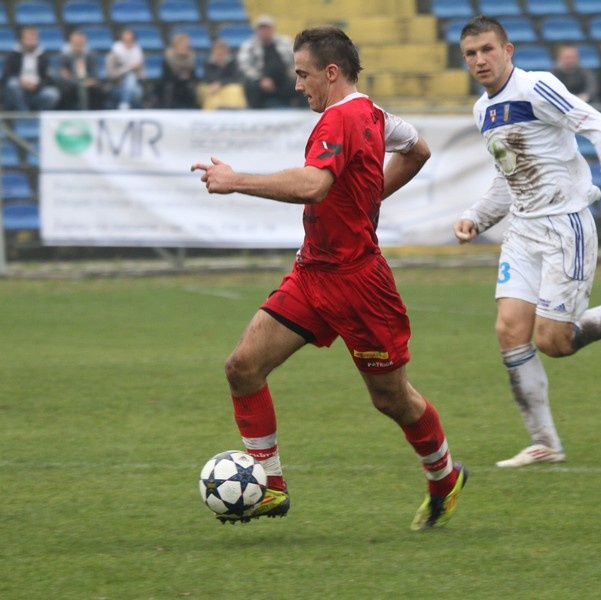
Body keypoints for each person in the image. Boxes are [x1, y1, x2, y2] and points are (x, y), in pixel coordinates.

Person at [191, 26, 468, 530]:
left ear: (331, 73)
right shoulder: (375, 115)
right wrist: (366, 197)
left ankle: (445, 476)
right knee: (242, 367)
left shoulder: (337, 121)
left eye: (303, 74)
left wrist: (236, 181)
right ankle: (271, 487)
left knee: (392, 400)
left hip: (361, 286)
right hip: (313, 273)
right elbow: (418, 149)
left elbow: (315, 185)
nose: (298, 85)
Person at [454, 16, 601, 467]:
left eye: (487, 50)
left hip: (565, 226)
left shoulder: (537, 87)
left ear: (508, 50)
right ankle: (545, 443)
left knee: (554, 342)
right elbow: (508, 177)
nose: (479, 60)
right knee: (508, 331)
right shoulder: (483, 111)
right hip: (522, 230)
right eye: (470, 54)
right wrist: (476, 218)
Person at [237, 14, 304, 108]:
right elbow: (244, 66)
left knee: (303, 83)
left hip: (284, 79)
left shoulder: (284, 42)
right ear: (257, 30)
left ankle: (303, 112)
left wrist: (296, 70)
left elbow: (298, 57)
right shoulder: (249, 46)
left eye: (267, 28)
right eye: (262, 28)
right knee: (250, 86)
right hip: (261, 82)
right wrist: (260, 79)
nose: (264, 31)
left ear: (272, 29)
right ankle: (255, 113)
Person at [0, 26, 61, 112]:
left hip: (36, 91)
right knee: (13, 84)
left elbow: (48, 79)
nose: (32, 41)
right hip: (18, 91)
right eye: (29, 39)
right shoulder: (13, 55)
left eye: (34, 39)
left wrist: (37, 86)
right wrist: (21, 81)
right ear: (22, 39)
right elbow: (5, 75)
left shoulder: (43, 57)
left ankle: (38, 117)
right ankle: (24, 114)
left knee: (52, 94)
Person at [56, 29, 104, 111]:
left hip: (88, 85)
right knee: (65, 91)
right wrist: (79, 83)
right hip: (70, 86)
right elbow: (61, 77)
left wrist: (86, 81)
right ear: (71, 42)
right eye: (76, 42)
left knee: (98, 91)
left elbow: (95, 75)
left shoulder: (91, 56)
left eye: (81, 42)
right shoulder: (64, 57)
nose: (78, 45)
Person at [198, 39, 247, 110]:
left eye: (222, 51)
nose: (220, 53)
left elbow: (235, 78)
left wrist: (220, 83)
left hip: (227, 86)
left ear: (226, 52)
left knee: (236, 90)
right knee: (209, 92)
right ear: (213, 51)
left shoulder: (232, 63)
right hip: (211, 86)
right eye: (217, 51)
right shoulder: (207, 62)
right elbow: (207, 77)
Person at [106, 28, 146, 109]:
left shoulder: (138, 53)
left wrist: (137, 70)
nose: (128, 42)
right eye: (125, 40)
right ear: (121, 40)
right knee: (133, 85)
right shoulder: (113, 54)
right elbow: (111, 74)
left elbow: (143, 76)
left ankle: (125, 104)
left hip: (135, 85)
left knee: (134, 85)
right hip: (117, 86)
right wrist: (128, 68)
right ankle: (125, 103)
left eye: (130, 40)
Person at [160, 32, 198, 109]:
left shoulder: (192, 57)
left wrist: (188, 76)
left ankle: (191, 109)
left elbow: (194, 76)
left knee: (191, 87)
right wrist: (179, 76)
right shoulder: (168, 57)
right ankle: (168, 110)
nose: (183, 46)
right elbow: (165, 76)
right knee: (169, 87)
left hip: (186, 82)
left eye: (185, 44)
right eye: (180, 44)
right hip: (172, 81)